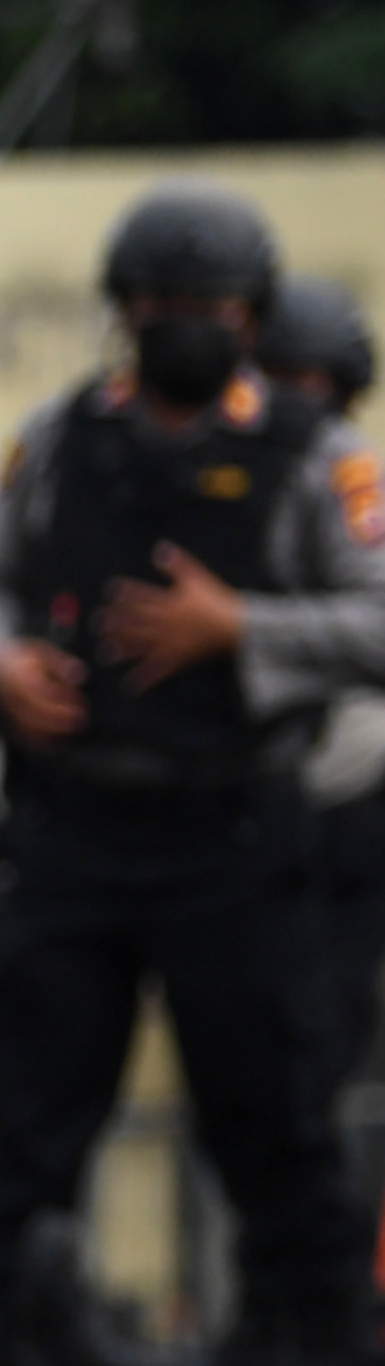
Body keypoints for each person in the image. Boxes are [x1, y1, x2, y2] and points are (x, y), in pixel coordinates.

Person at [0, 187, 385, 1366]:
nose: (186, 325)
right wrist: (2, 665)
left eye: (213, 308)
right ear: (125, 311)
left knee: (272, 1104)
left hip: (233, 830)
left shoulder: (316, 455)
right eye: (163, 306)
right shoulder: (59, 436)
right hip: (73, 826)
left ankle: (311, 1353)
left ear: (252, 314)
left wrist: (239, 630)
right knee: (23, 1104)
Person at [256, 275, 385, 1132]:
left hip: (351, 784)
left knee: (328, 1046)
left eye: (317, 392)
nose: (304, 412)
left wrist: (237, 628)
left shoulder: (354, 481)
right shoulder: (217, 472)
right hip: (237, 790)